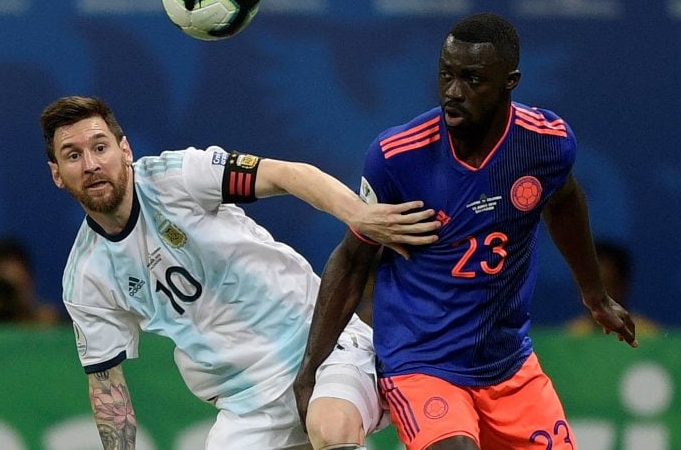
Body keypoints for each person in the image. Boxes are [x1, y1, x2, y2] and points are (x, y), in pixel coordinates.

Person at [294, 12, 638, 450]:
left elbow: (565, 201)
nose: (453, 92)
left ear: (509, 81)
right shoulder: (398, 157)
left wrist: (594, 295)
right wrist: (309, 372)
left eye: (472, 80)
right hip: (421, 361)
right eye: (446, 75)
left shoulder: (545, 142)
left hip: (508, 365)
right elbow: (353, 258)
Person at [39, 95, 441, 450]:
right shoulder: (86, 277)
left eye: (100, 147)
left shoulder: (177, 176)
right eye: (73, 155)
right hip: (247, 405)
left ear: (124, 149)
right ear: (57, 174)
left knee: (330, 428)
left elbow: (286, 174)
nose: (91, 164)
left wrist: (360, 216)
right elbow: (107, 387)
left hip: (320, 347)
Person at [567, 239, 660, 337]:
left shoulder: (649, 337)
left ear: (622, 285)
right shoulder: (570, 338)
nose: (595, 295)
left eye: (605, 286)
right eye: (588, 286)